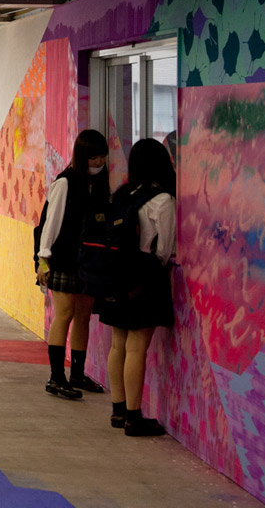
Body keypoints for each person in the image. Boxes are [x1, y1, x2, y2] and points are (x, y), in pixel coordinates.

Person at [97, 138, 177, 437]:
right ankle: (134, 417)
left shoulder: (123, 194)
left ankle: (118, 410)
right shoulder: (162, 199)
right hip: (145, 276)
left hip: (115, 274)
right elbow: (164, 250)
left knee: (118, 344)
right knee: (137, 347)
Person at [35, 129, 111, 400]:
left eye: (102, 157)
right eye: (93, 158)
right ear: (82, 157)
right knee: (64, 313)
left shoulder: (101, 183)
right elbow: (50, 223)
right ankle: (56, 377)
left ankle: (77, 373)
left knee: (83, 314)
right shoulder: (65, 182)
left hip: (89, 260)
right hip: (63, 258)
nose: (98, 163)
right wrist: (43, 259)